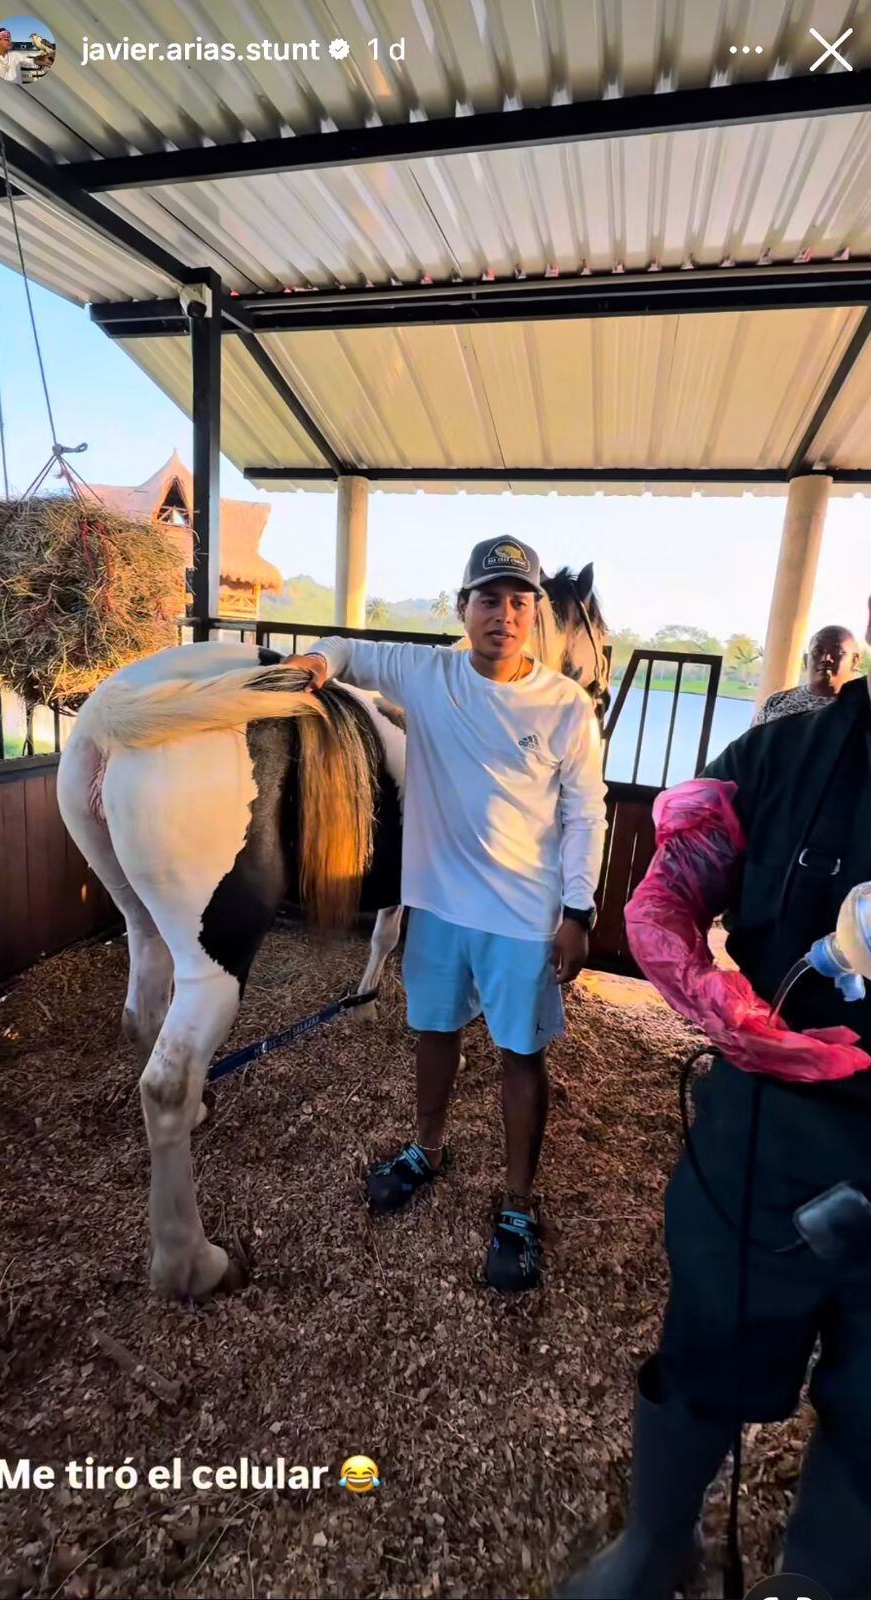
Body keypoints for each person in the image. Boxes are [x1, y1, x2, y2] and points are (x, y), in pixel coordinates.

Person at [559, 600, 871, 1598]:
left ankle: (815, 1578)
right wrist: (720, 1005)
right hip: (768, 1128)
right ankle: (654, 1543)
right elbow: (662, 897)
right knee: (707, 1335)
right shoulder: (782, 754)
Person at [283, 537, 607, 1293]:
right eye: (488, 599)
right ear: (462, 609)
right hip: (435, 906)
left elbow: (586, 814)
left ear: (535, 614)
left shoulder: (564, 706)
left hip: (524, 918)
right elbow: (345, 646)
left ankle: (519, 1205)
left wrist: (578, 910)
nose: (504, 614)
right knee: (433, 1034)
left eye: (519, 601)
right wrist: (315, 667)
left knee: (520, 1056)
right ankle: (428, 1151)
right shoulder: (426, 675)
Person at [753, 623, 860, 723]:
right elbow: (753, 742)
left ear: (855, 661)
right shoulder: (776, 702)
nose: (826, 658)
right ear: (805, 659)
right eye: (818, 651)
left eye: (837, 652)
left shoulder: (862, 710)